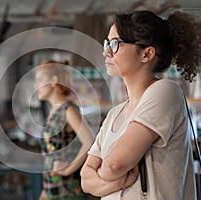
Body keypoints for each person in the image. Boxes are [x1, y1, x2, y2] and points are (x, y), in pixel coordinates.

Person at [80, 10, 201, 199]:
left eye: (115, 44)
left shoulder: (164, 92)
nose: (106, 51)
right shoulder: (114, 113)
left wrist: (103, 174)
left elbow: (114, 165)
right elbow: (85, 180)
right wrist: (118, 181)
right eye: (107, 43)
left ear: (147, 54)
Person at [34, 60, 95, 200]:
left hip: (68, 190)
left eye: (40, 80)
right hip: (53, 189)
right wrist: (45, 190)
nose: (35, 85)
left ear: (54, 81)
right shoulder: (54, 111)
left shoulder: (68, 110)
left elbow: (90, 140)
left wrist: (68, 169)